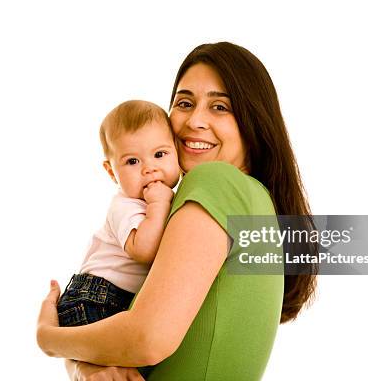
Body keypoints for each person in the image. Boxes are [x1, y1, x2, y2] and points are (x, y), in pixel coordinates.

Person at [37, 42, 318, 380]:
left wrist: (50, 340)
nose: (195, 120)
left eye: (220, 107)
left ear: (253, 121)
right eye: (185, 103)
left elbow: (147, 338)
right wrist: (83, 365)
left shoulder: (216, 182)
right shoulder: (254, 203)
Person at [57, 100, 180, 327]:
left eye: (160, 154)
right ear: (111, 172)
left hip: (117, 300)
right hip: (97, 298)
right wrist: (159, 205)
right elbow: (144, 250)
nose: (149, 168)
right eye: (132, 161)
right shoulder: (126, 206)